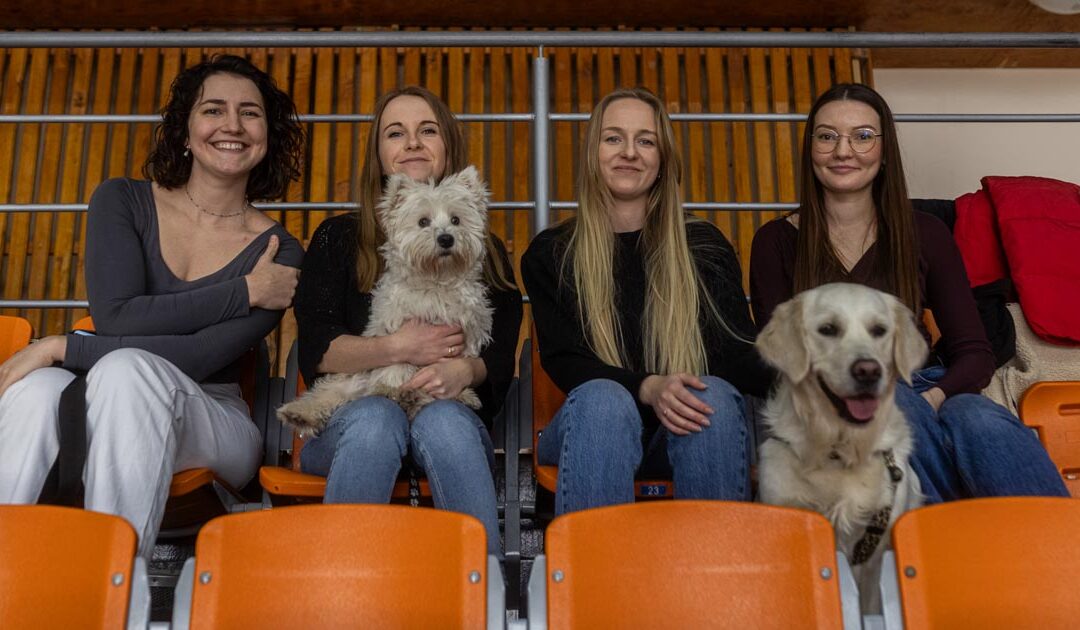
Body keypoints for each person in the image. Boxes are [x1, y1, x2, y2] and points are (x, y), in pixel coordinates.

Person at [0, 54, 306, 555]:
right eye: (213, 110)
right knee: (33, 391)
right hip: (104, 391)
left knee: (126, 372)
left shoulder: (281, 253)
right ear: (184, 131)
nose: (232, 125)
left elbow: (198, 356)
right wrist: (244, 292)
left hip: (212, 415)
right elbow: (118, 314)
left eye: (250, 113)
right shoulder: (121, 200)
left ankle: (110, 590)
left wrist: (66, 347)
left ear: (266, 136)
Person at [749, 82, 1068, 502]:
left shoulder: (926, 232)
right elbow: (785, 361)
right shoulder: (775, 241)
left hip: (925, 382)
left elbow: (974, 353)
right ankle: (950, 541)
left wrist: (931, 399)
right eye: (827, 136)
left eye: (863, 136)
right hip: (832, 401)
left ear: (884, 151)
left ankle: (1060, 554)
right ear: (810, 149)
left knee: (977, 418)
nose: (843, 151)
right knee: (893, 403)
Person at [521, 87, 772, 516]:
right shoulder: (551, 253)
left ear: (663, 160)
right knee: (604, 400)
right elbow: (568, 363)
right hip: (590, 430)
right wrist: (647, 386)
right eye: (613, 138)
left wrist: (819, 376)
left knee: (708, 394)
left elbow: (736, 351)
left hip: (676, 432)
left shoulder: (702, 245)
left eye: (646, 140)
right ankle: (593, 579)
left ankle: (713, 576)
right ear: (592, 153)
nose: (629, 153)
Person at [294, 86, 522, 555]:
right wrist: (400, 347)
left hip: (445, 415)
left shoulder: (486, 251)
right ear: (379, 157)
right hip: (351, 423)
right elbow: (317, 351)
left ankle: (486, 592)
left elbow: (498, 357)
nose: (413, 143)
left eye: (428, 131)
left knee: (446, 422)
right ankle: (340, 594)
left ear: (448, 146)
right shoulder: (337, 238)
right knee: (377, 416)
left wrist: (466, 370)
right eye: (396, 133)